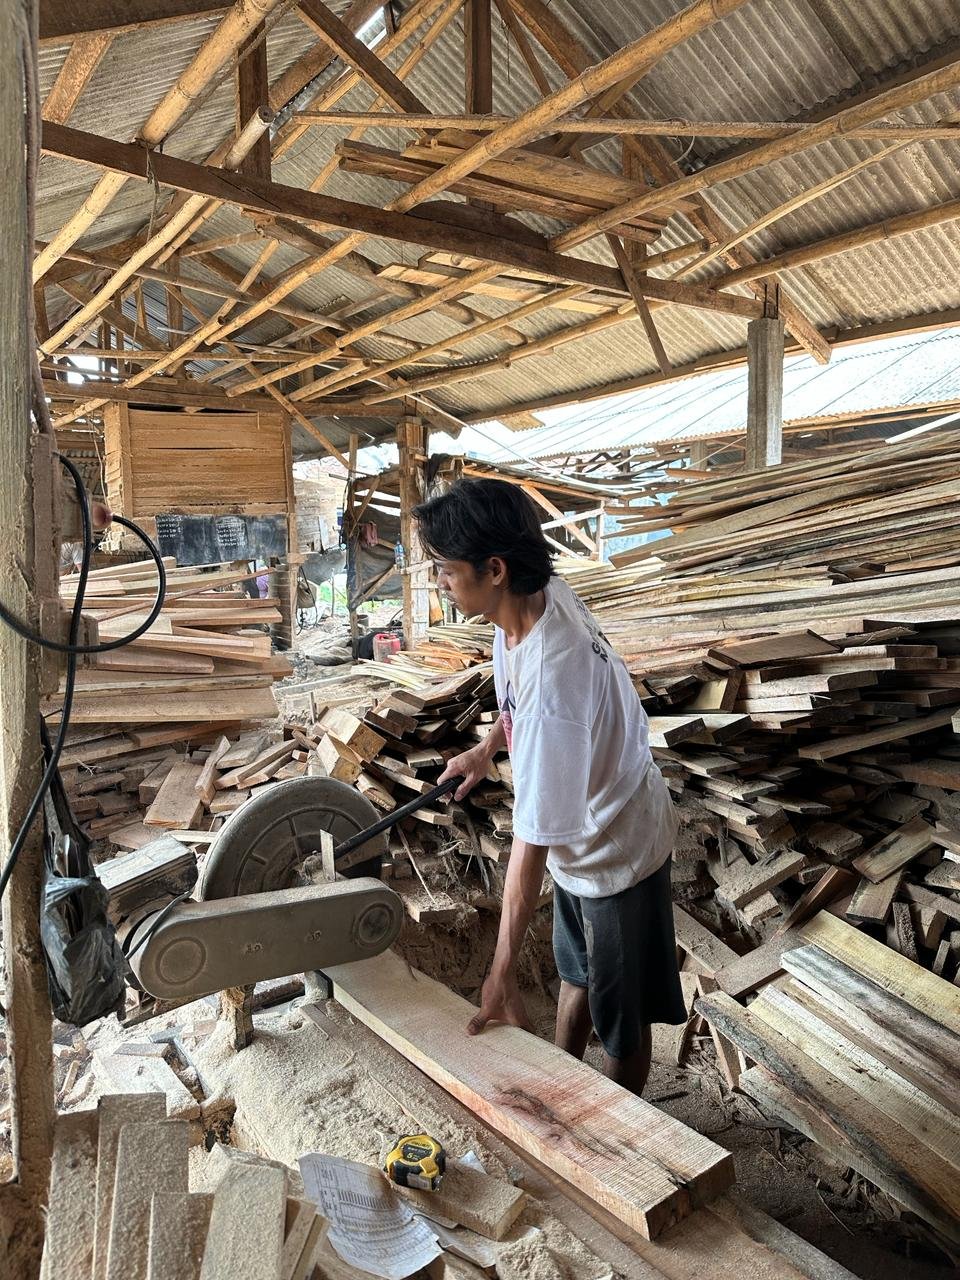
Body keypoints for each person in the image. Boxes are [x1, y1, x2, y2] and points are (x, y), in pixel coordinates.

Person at [415, 478, 685, 1097]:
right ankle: (562, 1084)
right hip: (583, 833)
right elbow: (518, 699)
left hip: (618, 847)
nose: (440, 584)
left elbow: (530, 843)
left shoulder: (553, 679)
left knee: (622, 1020)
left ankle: (618, 1124)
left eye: (447, 571)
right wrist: (486, 749)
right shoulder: (532, 601)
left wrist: (500, 974)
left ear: (494, 569)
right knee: (577, 973)